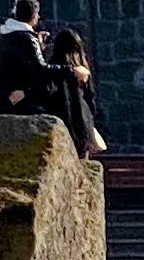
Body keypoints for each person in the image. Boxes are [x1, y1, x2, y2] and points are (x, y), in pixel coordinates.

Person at [44, 26, 106, 161]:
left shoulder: (54, 69)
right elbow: (90, 98)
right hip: (82, 122)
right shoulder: (82, 70)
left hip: (60, 121)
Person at [0, 0, 51, 117]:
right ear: (34, 16)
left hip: (2, 99)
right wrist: (69, 69)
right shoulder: (27, 38)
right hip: (21, 102)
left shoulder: (1, 36)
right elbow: (40, 70)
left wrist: (39, 47)